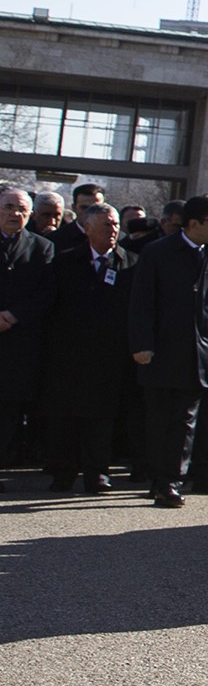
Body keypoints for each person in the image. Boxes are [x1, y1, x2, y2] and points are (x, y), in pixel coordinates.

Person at [126, 194, 208, 506]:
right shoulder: (158, 252)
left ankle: (171, 481)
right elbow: (141, 303)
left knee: (186, 420)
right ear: (193, 223)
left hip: (202, 353)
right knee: (160, 419)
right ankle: (159, 478)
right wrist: (142, 344)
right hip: (162, 351)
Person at [43, 202, 134, 491]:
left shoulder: (132, 263)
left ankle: (97, 473)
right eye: (107, 225)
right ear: (87, 227)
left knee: (102, 418)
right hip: (69, 354)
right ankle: (64, 473)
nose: (113, 230)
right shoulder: (65, 261)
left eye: (116, 224)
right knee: (66, 417)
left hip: (110, 354)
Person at [0, 187, 55, 486]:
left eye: (21, 209)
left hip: (17, 344)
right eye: (9, 207)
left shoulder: (42, 247)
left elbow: (46, 293)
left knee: (7, 412)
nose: (15, 214)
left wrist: (12, 316)